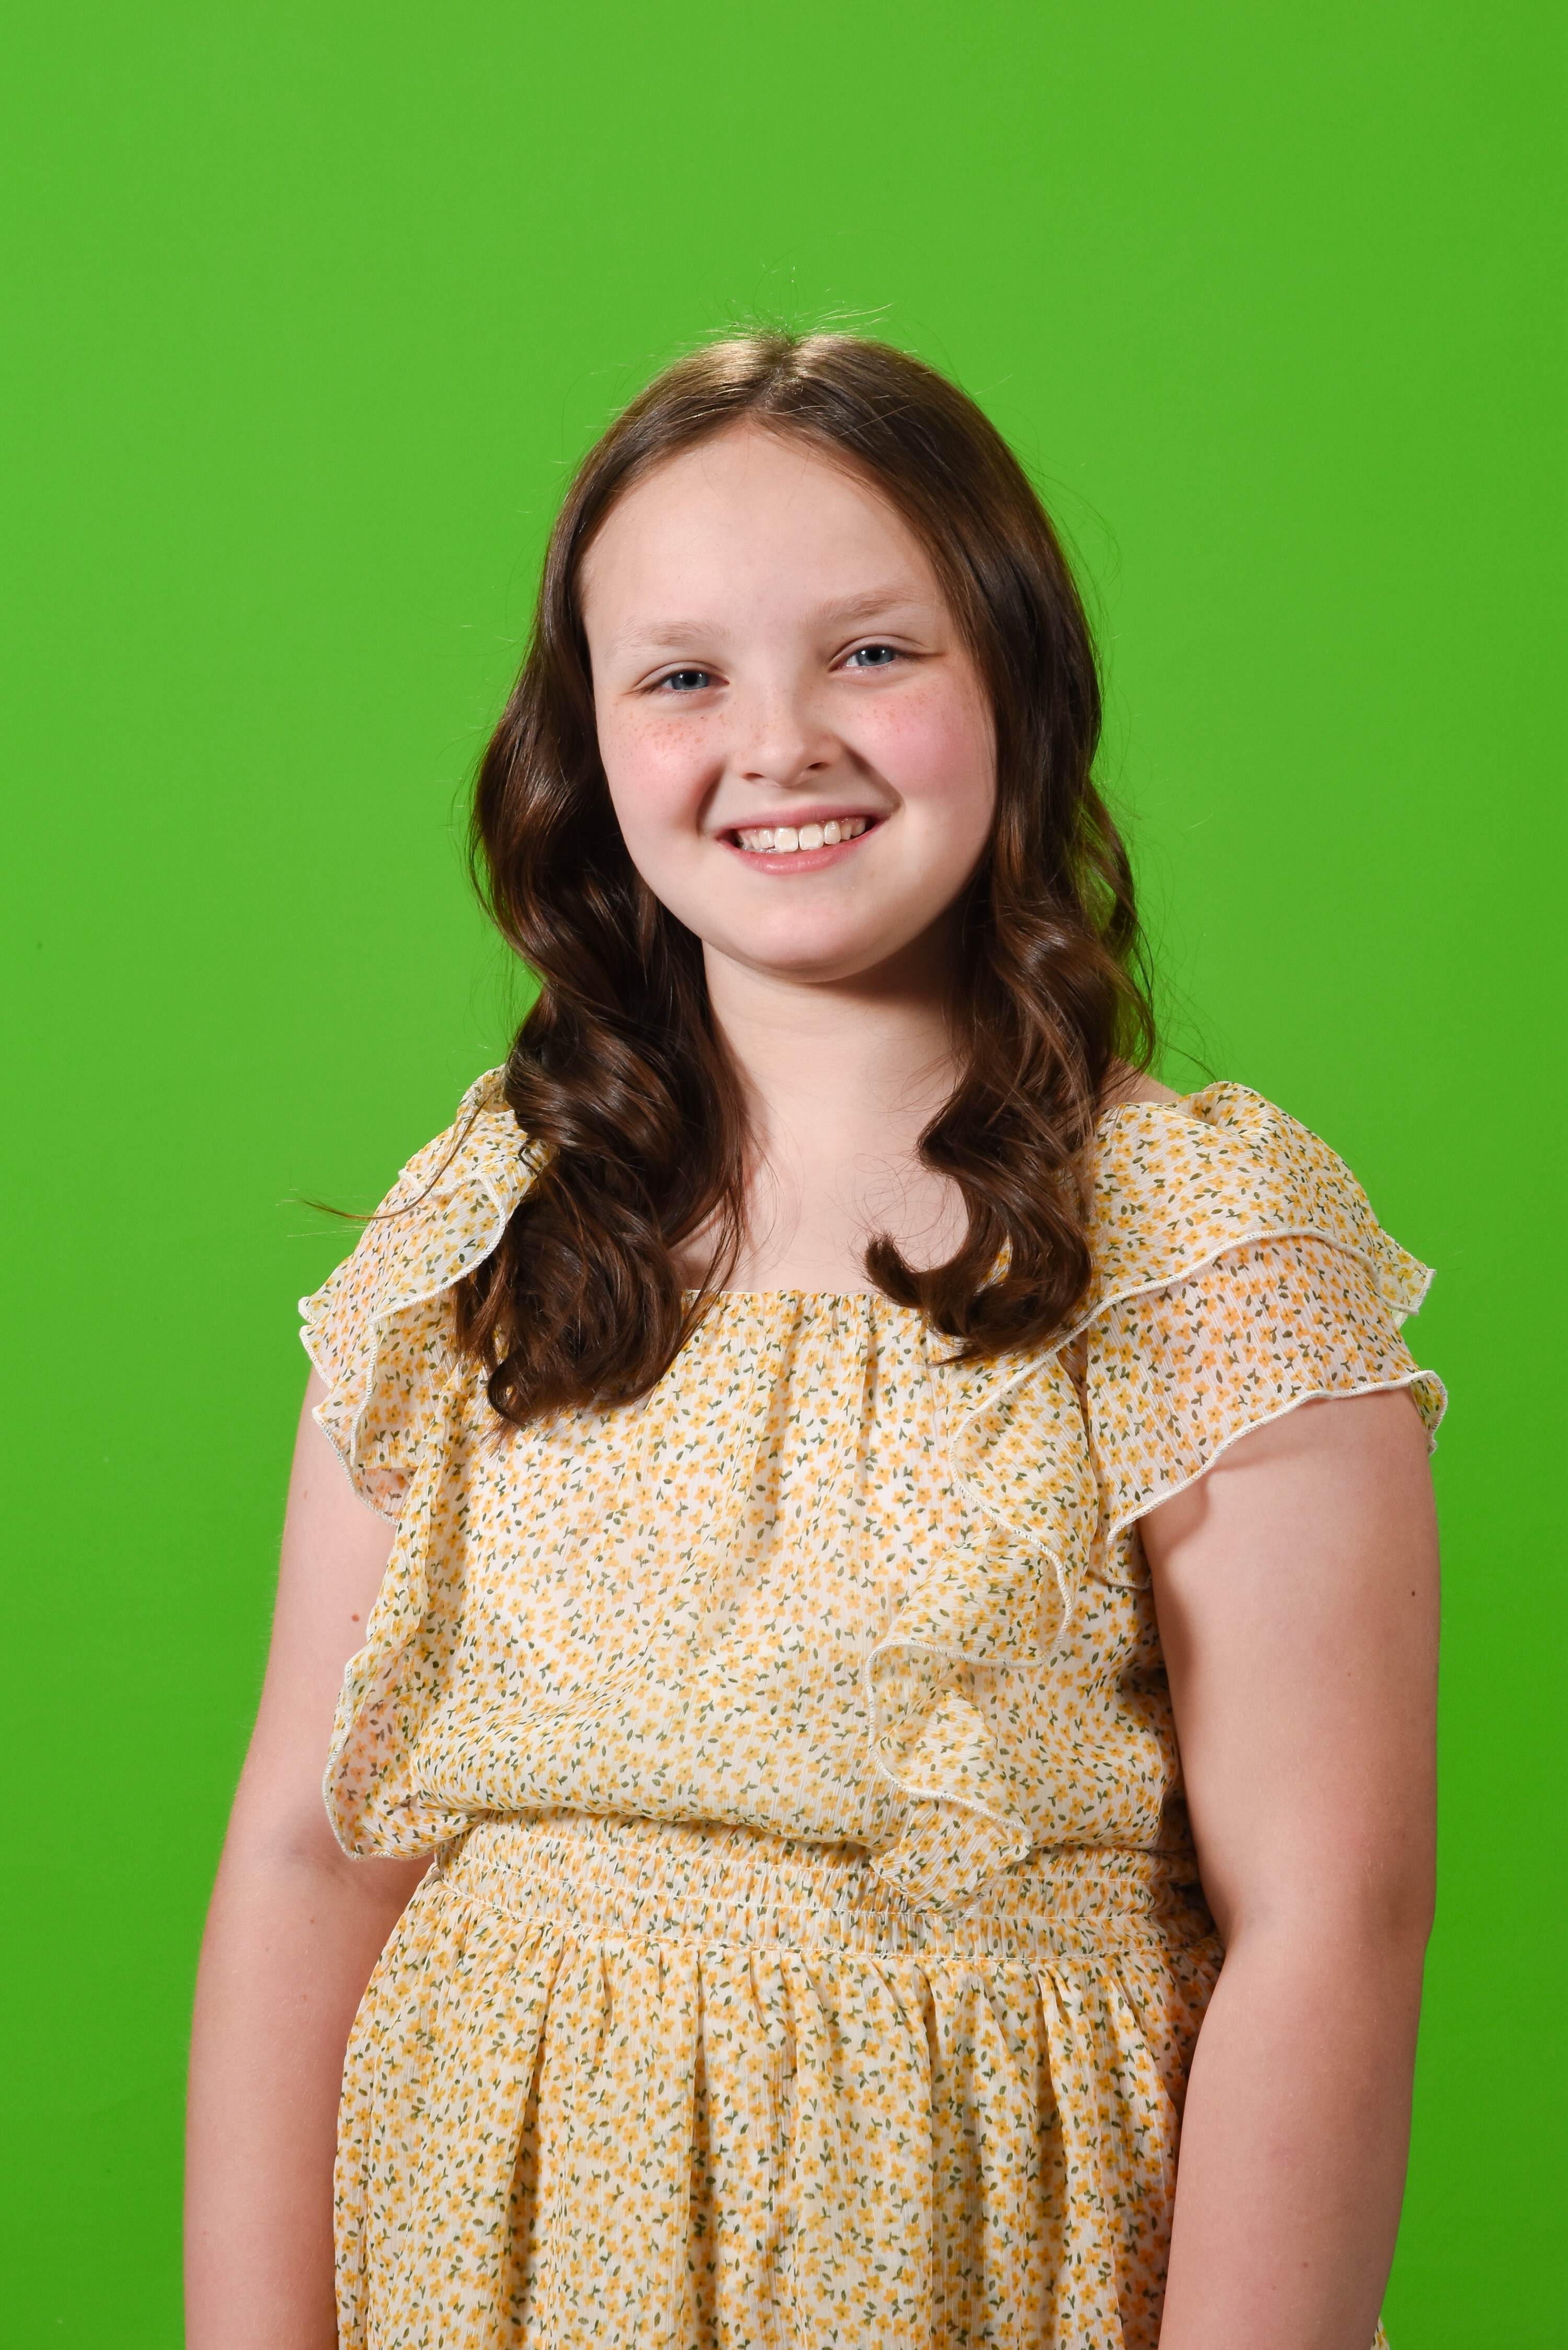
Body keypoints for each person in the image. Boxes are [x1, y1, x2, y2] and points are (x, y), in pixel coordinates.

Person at [185, 332, 1443, 2350]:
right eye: (681, 677)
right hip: (482, 2262)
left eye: (872, 653)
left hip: (979, 2263)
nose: (778, 744)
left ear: (1020, 684)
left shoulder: (1202, 1241)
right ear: (586, 745)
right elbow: (309, 1855)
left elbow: (1331, 1918)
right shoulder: (489, 1220)